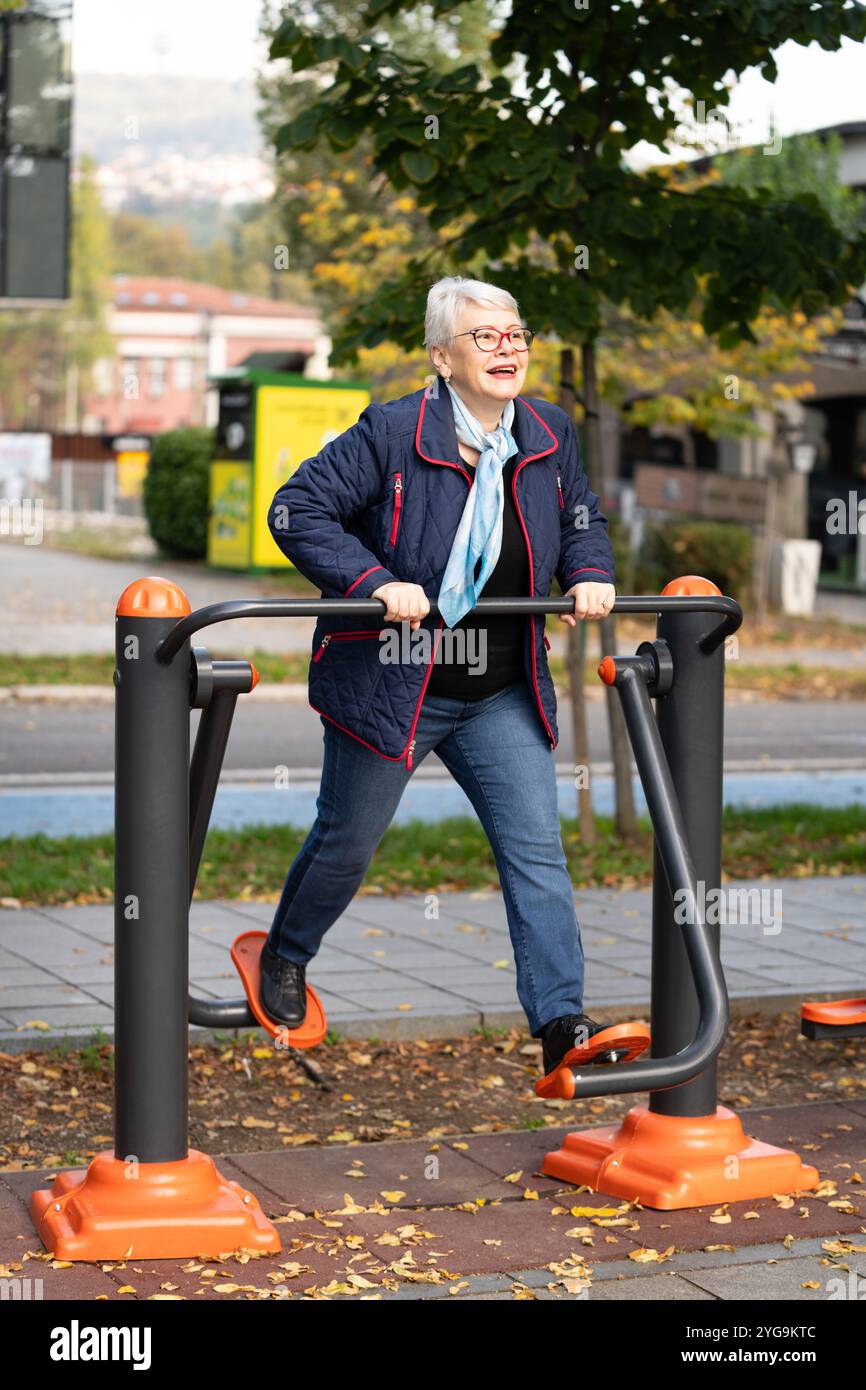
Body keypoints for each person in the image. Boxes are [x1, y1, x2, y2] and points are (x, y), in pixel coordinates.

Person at [263, 275, 618, 1076]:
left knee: (537, 853)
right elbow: (297, 509)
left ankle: (562, 1024)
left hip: (499, 689)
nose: (507, 349)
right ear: (441, 356)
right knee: (347, 840)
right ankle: (285, 954)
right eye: (485, 337)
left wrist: (588, 569)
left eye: (517, 335)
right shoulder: (392, 432)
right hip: (397, 679)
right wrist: (373, 582)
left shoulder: (548, 432)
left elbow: (580, 518)